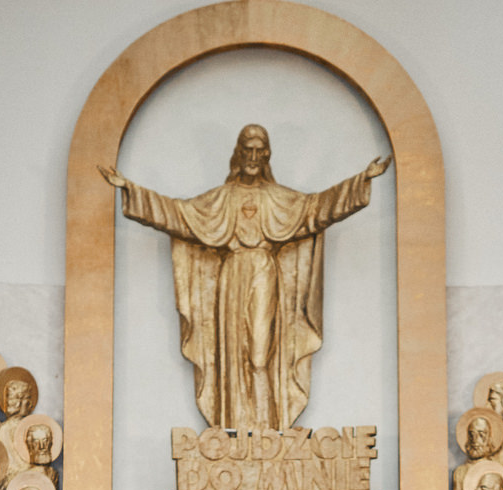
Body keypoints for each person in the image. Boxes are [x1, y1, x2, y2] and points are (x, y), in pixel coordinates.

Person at [100, 124, 391, 431]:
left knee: (260, 354)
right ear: (238, 154)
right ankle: (234, 427)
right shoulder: (222, 198)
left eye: (259, 151)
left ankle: (268, 427)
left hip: (263, 271)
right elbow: (177, 214)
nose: (253, 157)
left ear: (266, 155)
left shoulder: (278, 198)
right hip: (231, 275)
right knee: (232, 353)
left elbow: (317, 209)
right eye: (247, 150)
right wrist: (130, 189)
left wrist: (361, 181)